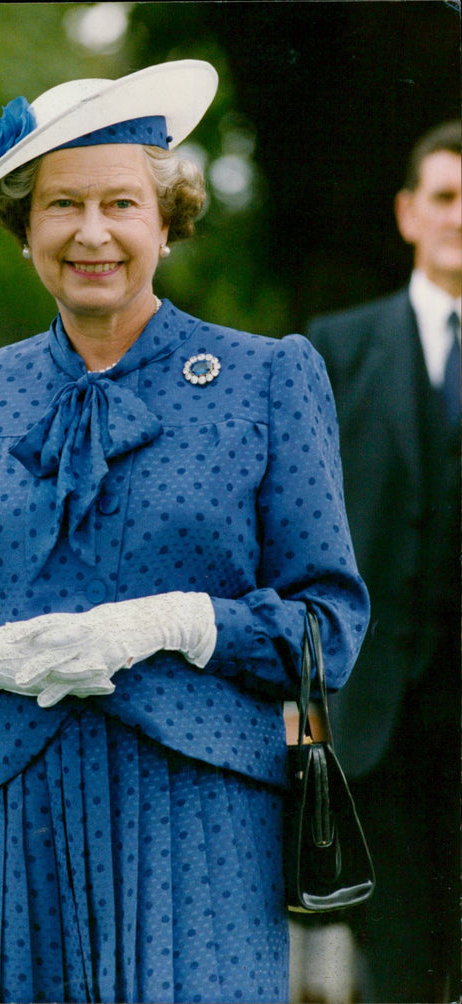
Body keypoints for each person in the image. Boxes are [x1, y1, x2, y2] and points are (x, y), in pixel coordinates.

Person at [0, 60, 370, 1004]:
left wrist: (178, 622)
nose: (92, 232)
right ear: (25, 232)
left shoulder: (266, 379)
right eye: (62, 205)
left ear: (166, 220)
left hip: (200, 820)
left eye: (121, 204)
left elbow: (329, 628)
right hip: (8, 817)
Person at [306, 120, 461, 1004]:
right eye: (444, 197)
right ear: (409, 213)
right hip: (378, 724)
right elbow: (295, 536)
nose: (459, 218)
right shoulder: (337, 347)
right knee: (401, 969)